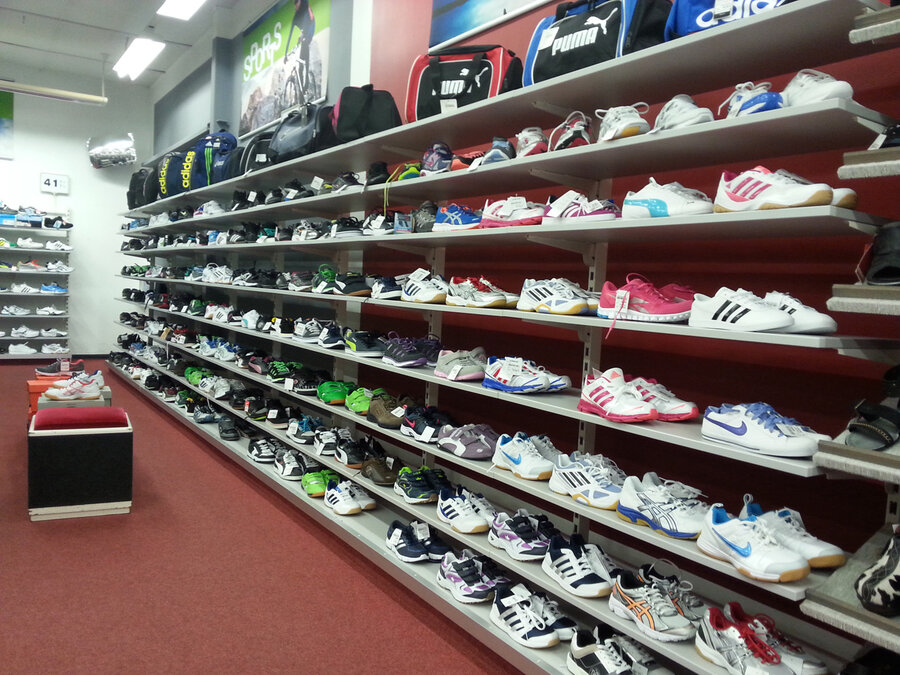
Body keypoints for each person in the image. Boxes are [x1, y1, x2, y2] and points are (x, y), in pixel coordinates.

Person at [285, 0, 315, 92]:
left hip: (310, 30)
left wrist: (305, 36)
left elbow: (310, 23)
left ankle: (307, 82)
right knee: (300, 67)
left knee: (305, 48)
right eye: (295, 6)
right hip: (302, 34)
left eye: (297, 5)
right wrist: (285, 54)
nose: (296, 7)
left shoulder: (306, 8)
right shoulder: (296, 17)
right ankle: (302, 92)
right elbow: (290, 35)